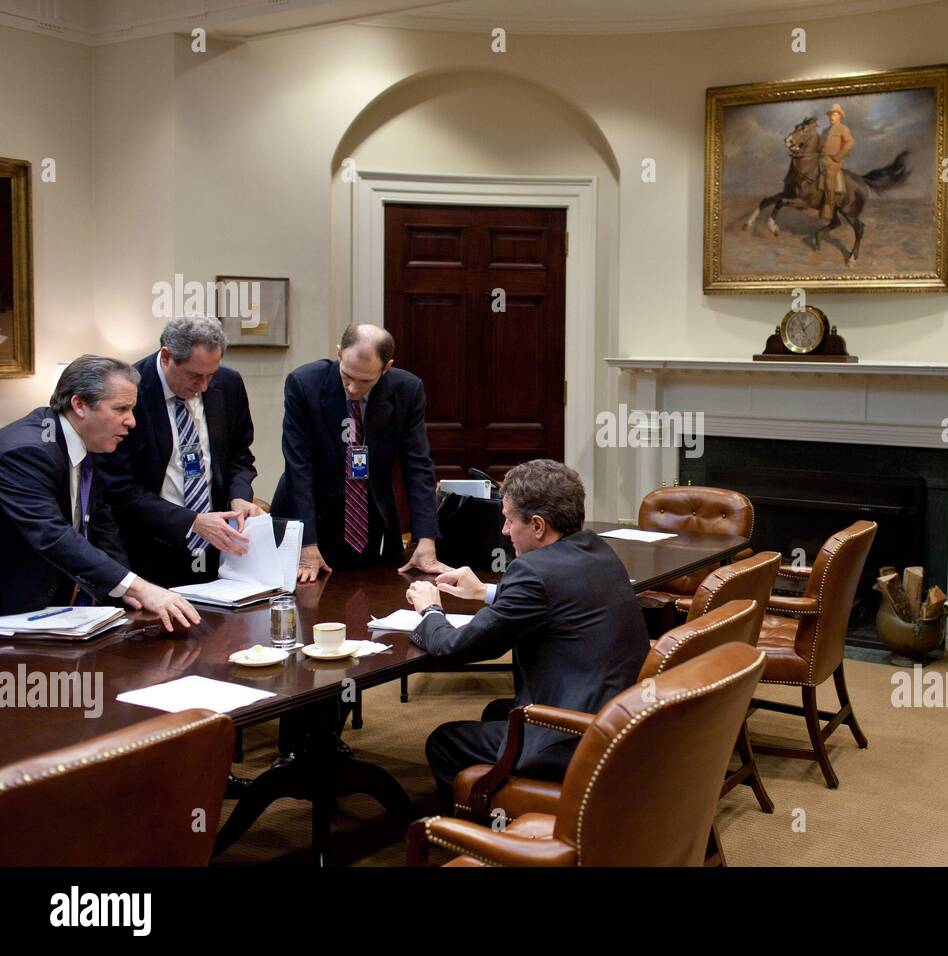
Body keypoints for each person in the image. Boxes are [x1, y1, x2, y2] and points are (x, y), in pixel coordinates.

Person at [404, 459, 648, 810]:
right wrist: (484, 592)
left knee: (443, 742)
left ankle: (479, 840)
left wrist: (430, 611)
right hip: (616, 721)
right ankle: (509, 804)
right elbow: (554, 598)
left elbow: (455, 648)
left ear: (537, 526)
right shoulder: (596, 549)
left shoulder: (531, 572)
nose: (503, 530)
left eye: (508, 519)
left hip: (574, 738)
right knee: (496, 710)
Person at [0, 355, 201, 630]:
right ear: (79, 404)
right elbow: (53, 535)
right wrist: (139, 588)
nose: (131, 421)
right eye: (120, 409)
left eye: (132, 409)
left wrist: (128, 596)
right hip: (13, 613)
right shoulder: (28, 452)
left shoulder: (83, 440)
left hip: (58, 612)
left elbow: (101, 526)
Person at [271, 323, 446, 582]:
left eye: (365, 381)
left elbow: (418, 466)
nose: (352, 388)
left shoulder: (407, 390)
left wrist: (426, 538)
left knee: (366, 597)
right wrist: (307, 544)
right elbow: (299, 467)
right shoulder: (304, 384)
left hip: (367, 517)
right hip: (308, 515)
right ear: (339, 353)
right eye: (347, 377)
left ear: (386, 368)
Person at [96, 317, 261, 587]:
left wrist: (239, 496)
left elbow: (240, 456)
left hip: (218, 549)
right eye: (195, 375)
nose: (204, 386)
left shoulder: (229, 384)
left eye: (211, 374)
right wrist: (192, 521)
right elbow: (118, 489)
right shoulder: (129, 394)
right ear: (166, 356)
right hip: (151, 549)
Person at [820, 103, 854, 220]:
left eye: (834, 114)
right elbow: (820, 145)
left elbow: (849, 143)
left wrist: (838, 156)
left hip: (832, 161)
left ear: (840, 116)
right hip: (821, 158)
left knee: (829, 182)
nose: (831, 117)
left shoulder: (843, 128)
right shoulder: (825, 131)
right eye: (830, 114)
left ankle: (829, 209)